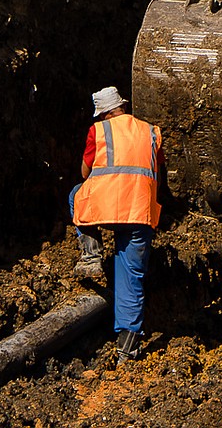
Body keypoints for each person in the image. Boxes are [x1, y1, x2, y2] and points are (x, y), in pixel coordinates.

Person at [69, 86, 164, 361]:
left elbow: (86, 172)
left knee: (76, 193)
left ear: (104, 114)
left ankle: (91, 254)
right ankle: (127, 350)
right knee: (131, 278)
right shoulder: (150, 132)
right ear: (121, 107)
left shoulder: (98, 131)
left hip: (106, 209)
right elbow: (159, 171)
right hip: (140, 213)